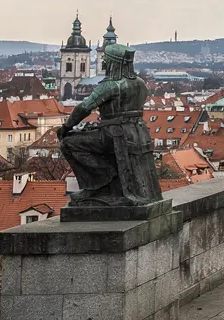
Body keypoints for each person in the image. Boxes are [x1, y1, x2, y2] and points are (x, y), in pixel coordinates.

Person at [58, 43, 161, 209]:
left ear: (114, 63)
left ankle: (100, 182)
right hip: (138, 133)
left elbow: (83, 108)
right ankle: (106, 179)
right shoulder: (140, 83)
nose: (104, 63)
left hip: (114, 135)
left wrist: (66, 127)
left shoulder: (111, 85)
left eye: (107, 60)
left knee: (68, 143)